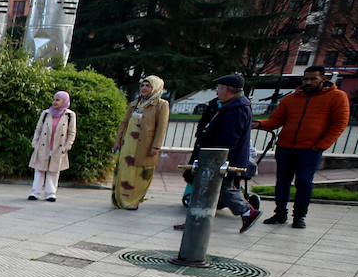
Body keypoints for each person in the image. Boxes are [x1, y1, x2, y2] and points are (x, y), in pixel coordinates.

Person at [253, 65, 350, 230]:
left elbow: (339, 124)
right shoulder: (292, 98)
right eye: (306, 79)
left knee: (304, 182)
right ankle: (280, 213)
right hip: (286, 147)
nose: (309, 82)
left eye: (313, 79)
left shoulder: (336, 97)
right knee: (282, 182)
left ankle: (299, 216)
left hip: (310, 149)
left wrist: (321, 146)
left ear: (323, 80)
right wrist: (257, 124)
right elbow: (275, 121)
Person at [182, 74, 260, 233]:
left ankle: (247, 211)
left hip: (221, 159)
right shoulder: (232, 105)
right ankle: (195, 220)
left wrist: (218, 158)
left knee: (219, 187)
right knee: (208, 187)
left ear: (226, 89)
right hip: (216, 158)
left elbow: (229, 139)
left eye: (218, 88)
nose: (216, 91)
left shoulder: (237, 109)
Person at [110, 77, 170, 210]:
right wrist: (118, 141)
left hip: (145, 145)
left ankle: (133, 200)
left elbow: (161, 127)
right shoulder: (134, 104)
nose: (144, 88)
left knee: (139, 173)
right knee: (125, 170)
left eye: (148, 86)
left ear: (155, 88)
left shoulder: (161, 105)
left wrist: (156, 146)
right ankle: (120, 199)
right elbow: (124, 123)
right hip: (128, 144)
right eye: (142, 85)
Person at [27, 91, 77, 202]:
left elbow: (72, 132)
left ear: (64, 101)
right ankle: (35, 192)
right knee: (39, 169)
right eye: (54, 99)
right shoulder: (46, 113)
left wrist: (67, 146)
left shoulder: (69, 115)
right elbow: (38, 129)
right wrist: (35, 143)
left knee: (54, 170)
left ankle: (51, 193)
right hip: (43, 146)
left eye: (58, 100)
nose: (54, 102)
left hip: (58, 148)